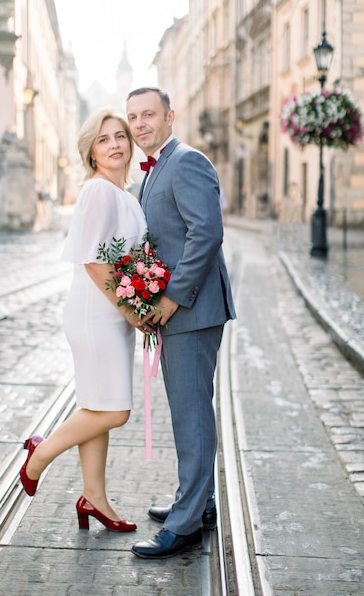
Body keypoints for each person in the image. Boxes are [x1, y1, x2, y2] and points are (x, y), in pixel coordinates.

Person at [19, 108, 148, 532]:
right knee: (115, 411)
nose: (114, 145)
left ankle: (95, 499)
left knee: (96, 405)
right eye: (103, 139)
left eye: (120, 137)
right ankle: (39, 454)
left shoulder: (125, 195)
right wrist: (131, 309)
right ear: (91, 152)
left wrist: (139, 297)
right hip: (97, 313)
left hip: (109, 313)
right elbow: (94, 260)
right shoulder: (97, 191)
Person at [126, 87, 236, 559]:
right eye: (133, 116)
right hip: (183, 310)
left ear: (170, 116)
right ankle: (200, 503)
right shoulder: (153, 170)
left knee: (191, 414)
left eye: (148, 114)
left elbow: (207, 232)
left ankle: (187, 522)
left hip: (191, 310)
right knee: (189, 410)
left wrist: (170, 298)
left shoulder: (187, 160)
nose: (140, 124)